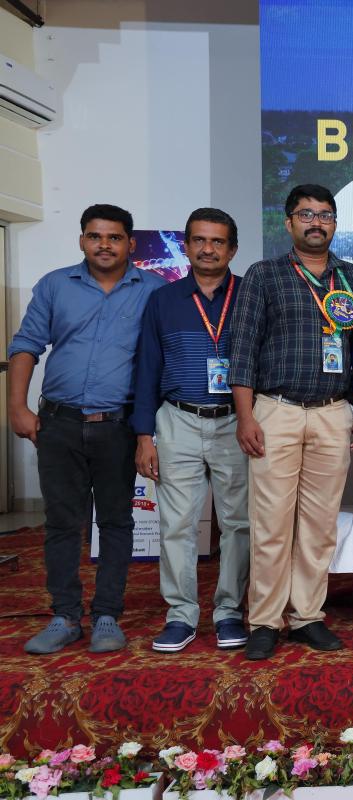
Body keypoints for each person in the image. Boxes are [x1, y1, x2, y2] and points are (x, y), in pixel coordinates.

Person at [8, 204, 166, 654]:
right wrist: (16, 407)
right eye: (95, 236)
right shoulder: (55, 285)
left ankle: (106, 616)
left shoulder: (154, 290)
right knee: (61, 522)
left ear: (130, 243)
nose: (104, 245)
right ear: (82, 240)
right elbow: (26, 345)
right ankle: (64, 616)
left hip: (118, 426)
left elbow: (160, 358)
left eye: (114, 237)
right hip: (58, 424)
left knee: (116, 521)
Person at [227, 184, 353, 660]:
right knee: (270, 524)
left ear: (335, 224)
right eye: (306, 214)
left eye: (325, 215)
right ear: (288, 223)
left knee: (319, 525)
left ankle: (307, 615)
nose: (316, 223)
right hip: (276, 411)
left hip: (332, 413)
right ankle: (265, 620)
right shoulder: (264, 275)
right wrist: (245, 416)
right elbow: (242, 349)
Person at [132, 208, 250, 653]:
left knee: (239, 523)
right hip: (177, 419)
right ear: (187, 246)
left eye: (217, 241)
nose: (208, 249)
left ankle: (229, 611)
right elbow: (147, 368)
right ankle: (181, 614)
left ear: (232, 249)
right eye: (199, 240)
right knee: (177, 524)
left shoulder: (250, 295)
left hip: (237, 421)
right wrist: (144, 436)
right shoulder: (163, 300)